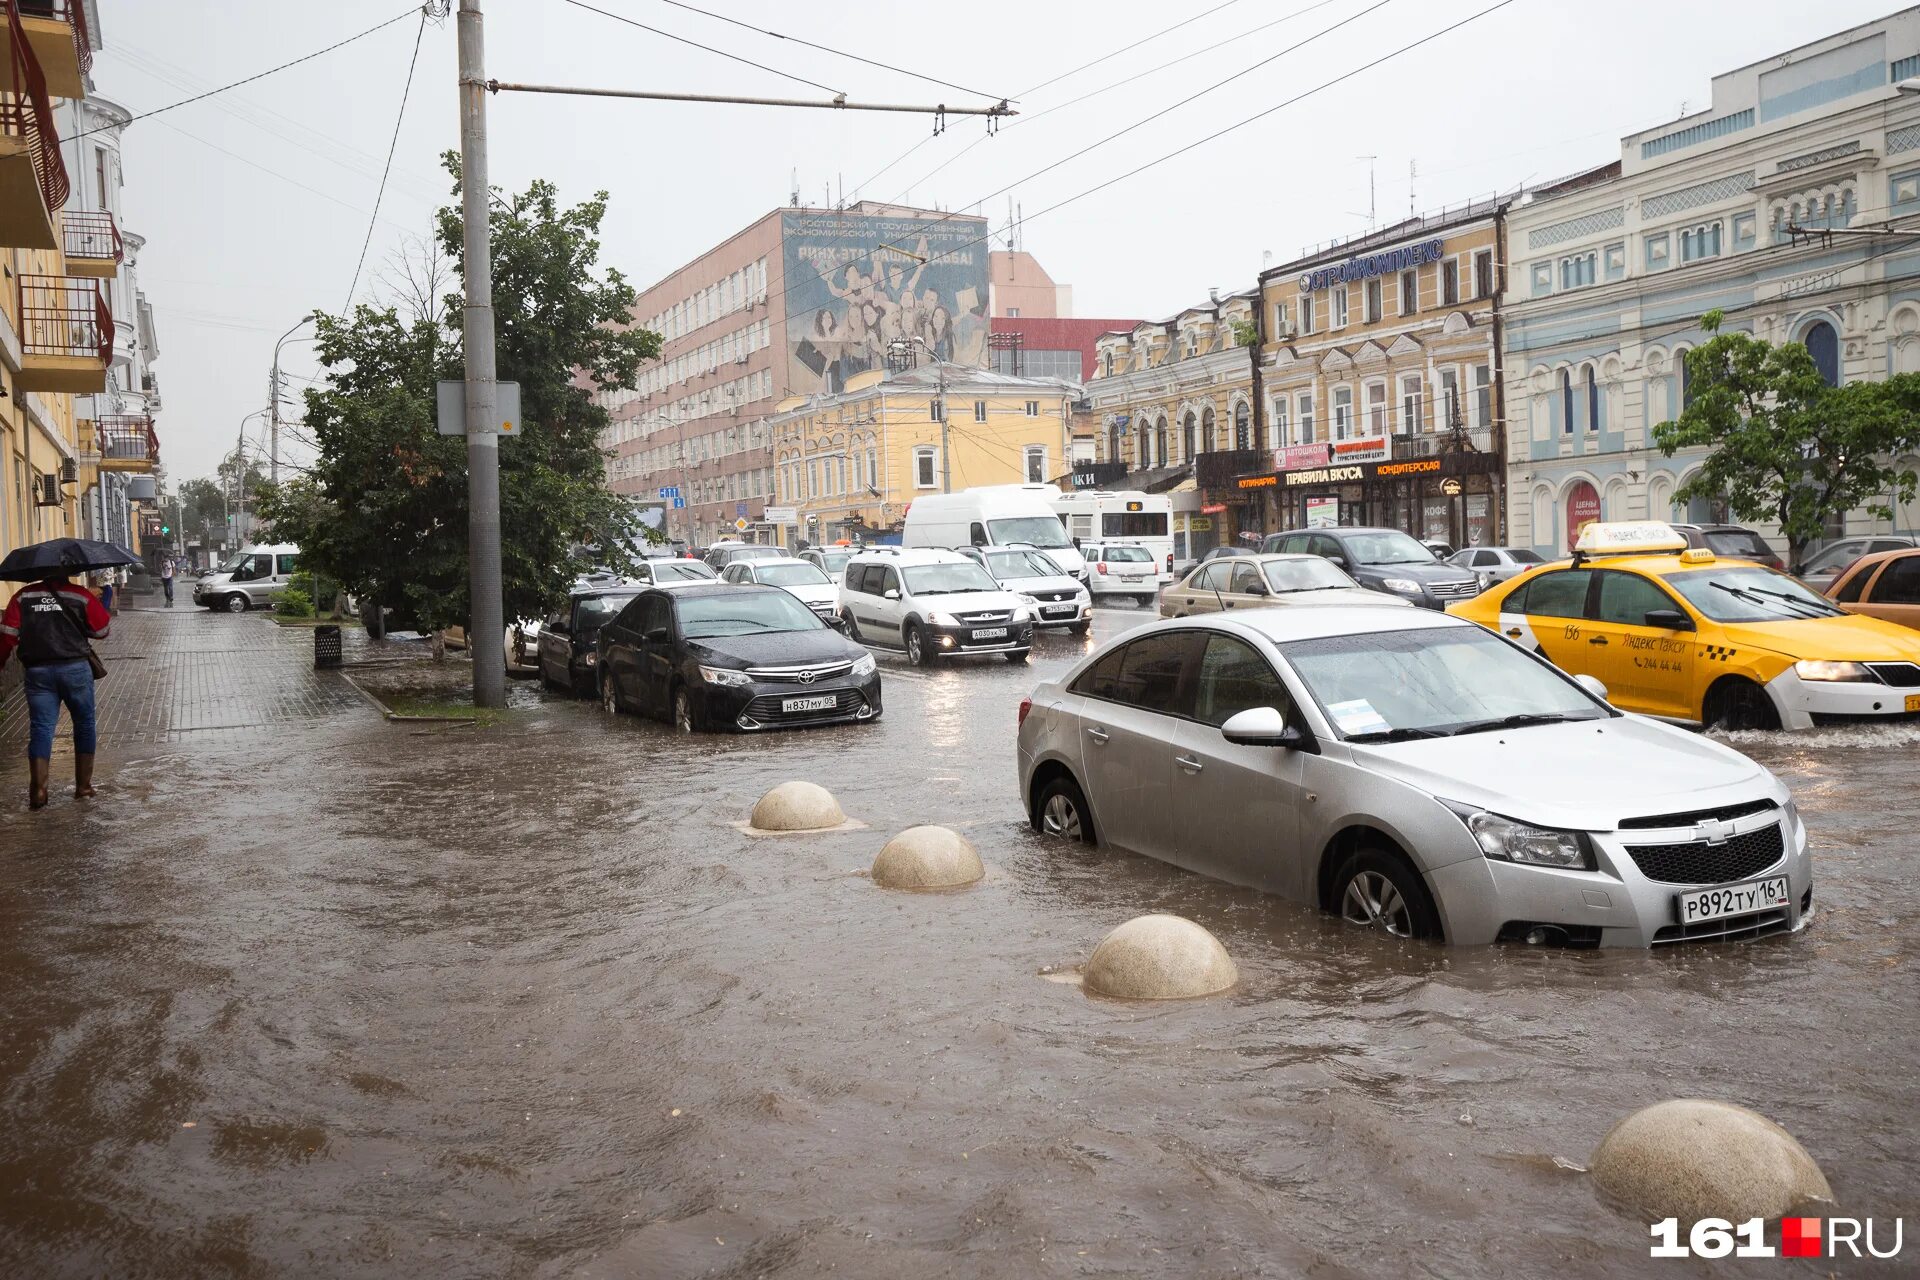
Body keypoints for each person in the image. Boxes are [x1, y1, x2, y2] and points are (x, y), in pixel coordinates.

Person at [0, 575, 111, 808]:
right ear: (68, 571)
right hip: (75, 670)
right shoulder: (80, 595)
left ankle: (39, 792)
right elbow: (102, 630)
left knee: (41, 727)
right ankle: (83, 787)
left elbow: (8, 635)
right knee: (84, 724)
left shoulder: (22, 597)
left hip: (38, 671)